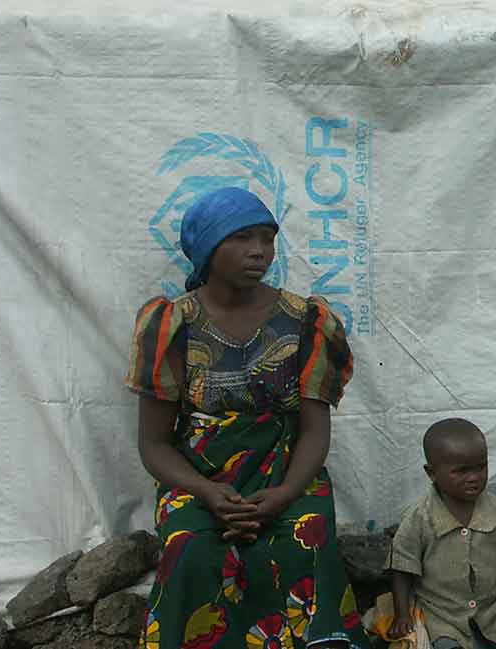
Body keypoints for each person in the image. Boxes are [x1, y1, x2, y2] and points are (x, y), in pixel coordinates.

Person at [124, 187, 368, 648]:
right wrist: (209, 493)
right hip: (199, 481)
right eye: (241, 238)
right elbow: (154, 445)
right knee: (190, 548)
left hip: (288, 473)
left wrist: (284, 494)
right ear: (207, 247)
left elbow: (316, 431)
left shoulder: (306, 321)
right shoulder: (171, 326)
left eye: (267, 239)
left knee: (304, 539)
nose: (259, 251)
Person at [385, 419, 496, 649]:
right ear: (431, 473)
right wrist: (402, 615)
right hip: (443, 615)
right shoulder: (419, 519)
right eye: (461, 471)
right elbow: (402, 568)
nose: (474, 477)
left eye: (481, 467)